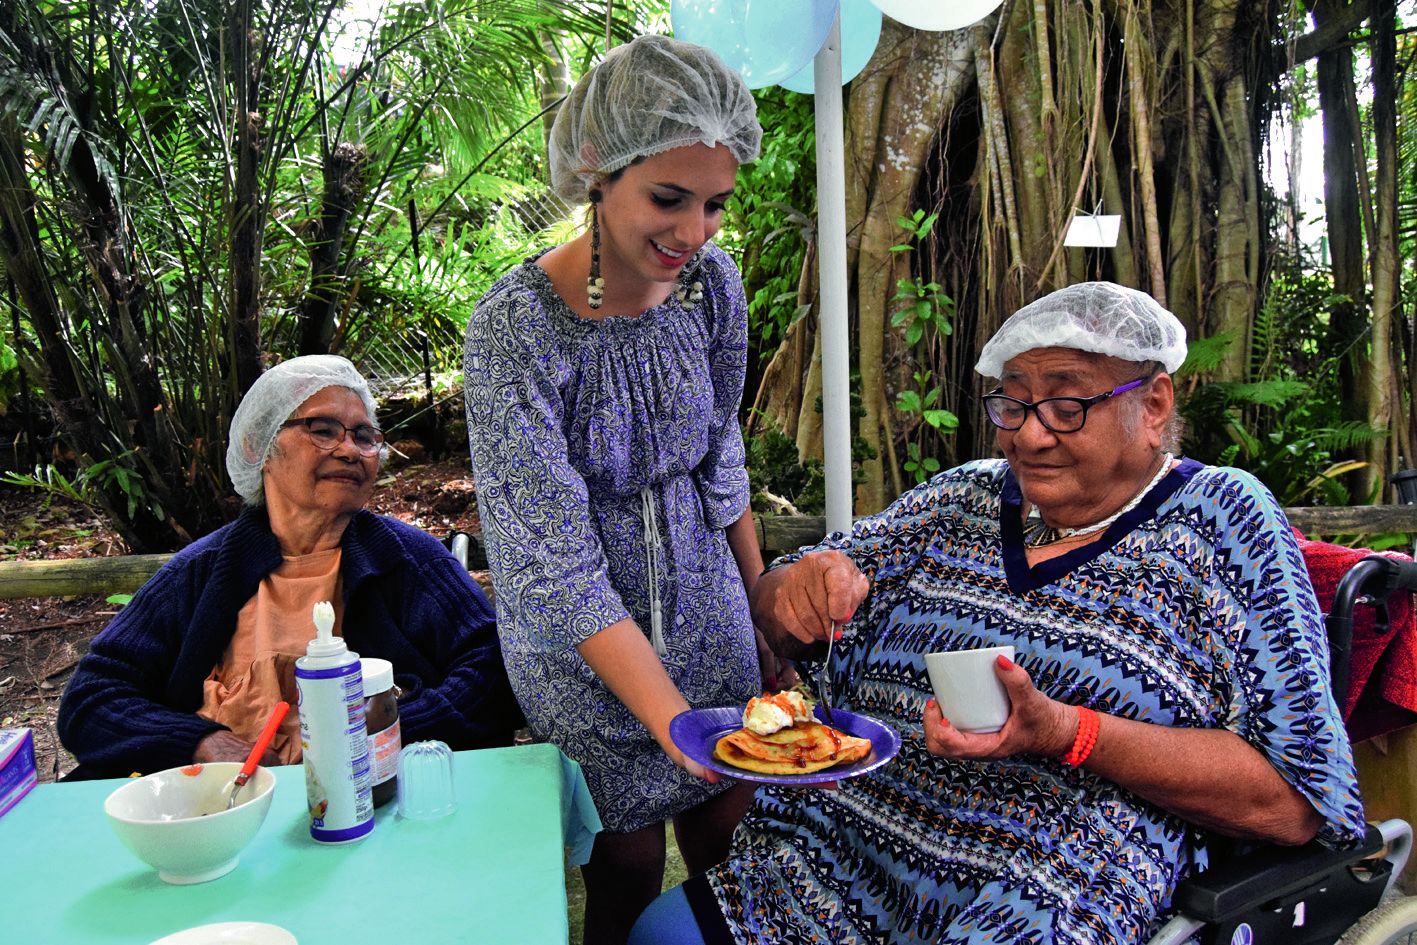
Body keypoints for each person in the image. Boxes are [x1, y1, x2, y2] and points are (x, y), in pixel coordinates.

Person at [631, 282, 1367, 944]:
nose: (1028, 433)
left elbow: (1293, 801)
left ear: (1153, 404)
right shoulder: (964, 498)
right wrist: (795, 583)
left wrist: (1066, 732)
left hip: (1050, 885)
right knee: (661, 933)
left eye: (1066, 403)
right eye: (1012, 402)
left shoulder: (1222, 520)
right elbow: (782, 608)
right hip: (845, 849)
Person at [463, 33, 778, 945]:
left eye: (716, 205)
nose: (694, 233)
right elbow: (553, 563)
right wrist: (670, 718)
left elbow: (721, 451)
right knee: (628, 861)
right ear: (595, 172)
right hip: (580, 644)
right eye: (667, 199)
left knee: (728, 832)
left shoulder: (712, 287)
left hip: (705, 601)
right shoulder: (515, 332)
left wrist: (757, 602)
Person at [59, 355, 521, 780]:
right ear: (258, 446)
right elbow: (93, 699)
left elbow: (495, 668)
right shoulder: (199, 574)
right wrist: (201, 742)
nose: (350, 450)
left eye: (364, 436)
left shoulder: (408, 560)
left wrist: (380, 735)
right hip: (222, 811)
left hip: (379, 804)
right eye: (323, 429)